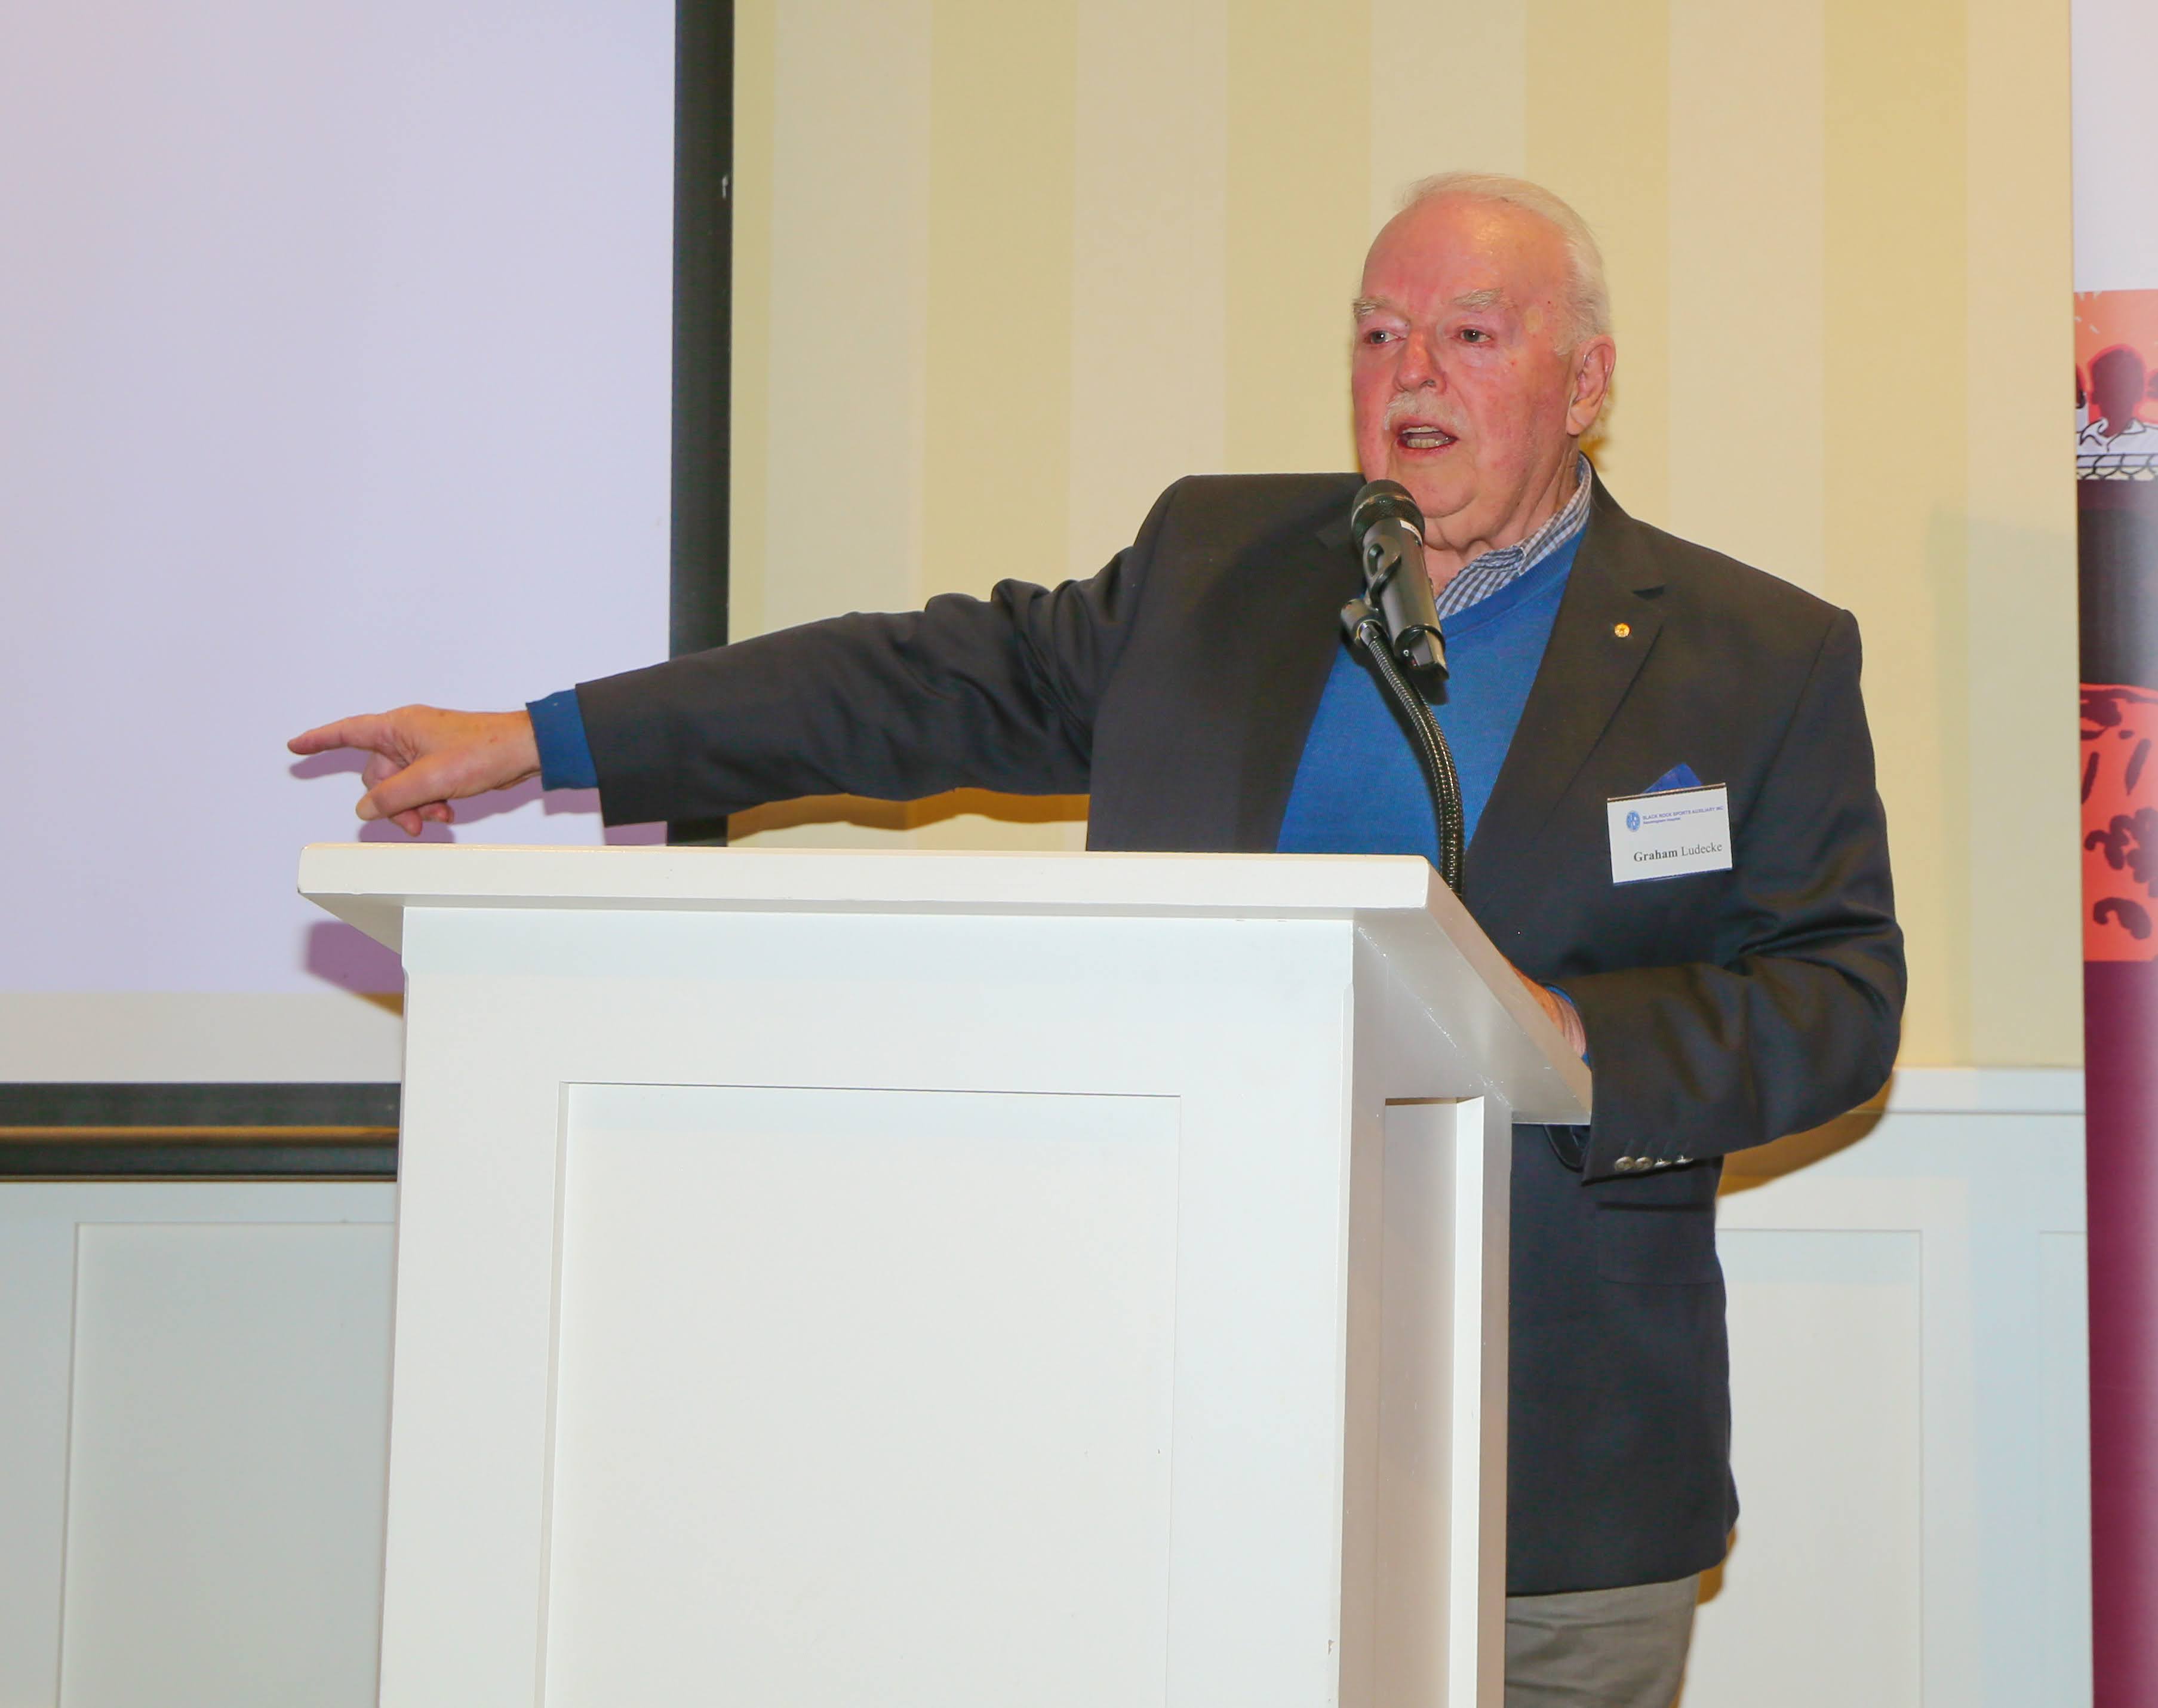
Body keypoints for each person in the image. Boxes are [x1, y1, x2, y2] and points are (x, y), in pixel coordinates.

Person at [289, 172, 1902, 1707]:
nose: (1409, 372)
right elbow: (908, 684)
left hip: (1555, 1454)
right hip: (1179, 1418)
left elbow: (1835, 991)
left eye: (1469, 334)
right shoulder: (1218, 572)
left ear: (1584, 381)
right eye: (1375, 332)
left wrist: (1574, 1037)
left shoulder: (1751, 655)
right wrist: (544, 736)